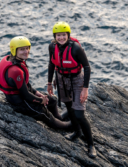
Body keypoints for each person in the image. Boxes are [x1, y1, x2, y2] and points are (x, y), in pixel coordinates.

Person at [0, 36, 71, 129]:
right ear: (14, 50)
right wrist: (40, 100)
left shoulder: (13, 59)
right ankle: (64, 125)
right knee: (44, 112)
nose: (26, 51)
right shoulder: (15, 71)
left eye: (27, 48)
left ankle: (59, 117)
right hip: (19, 102)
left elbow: (26, 85)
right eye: (22, 49)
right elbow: (25, 95)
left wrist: (37, 93)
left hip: (22, 94)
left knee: (52, 100)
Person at [47, 22, 97, 158]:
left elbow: (87, 67)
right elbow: (51, 63)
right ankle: (77, 132)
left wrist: (85, 89)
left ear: (68, 35)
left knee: (79, 114)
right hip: (61, 78)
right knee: (69, 107)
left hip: (76, 80)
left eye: (64, 35)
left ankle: (91, 145)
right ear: (55, 36)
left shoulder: (75, 48)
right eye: (58, 35)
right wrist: (49, 82)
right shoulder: (52, 47)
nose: (61, 38)